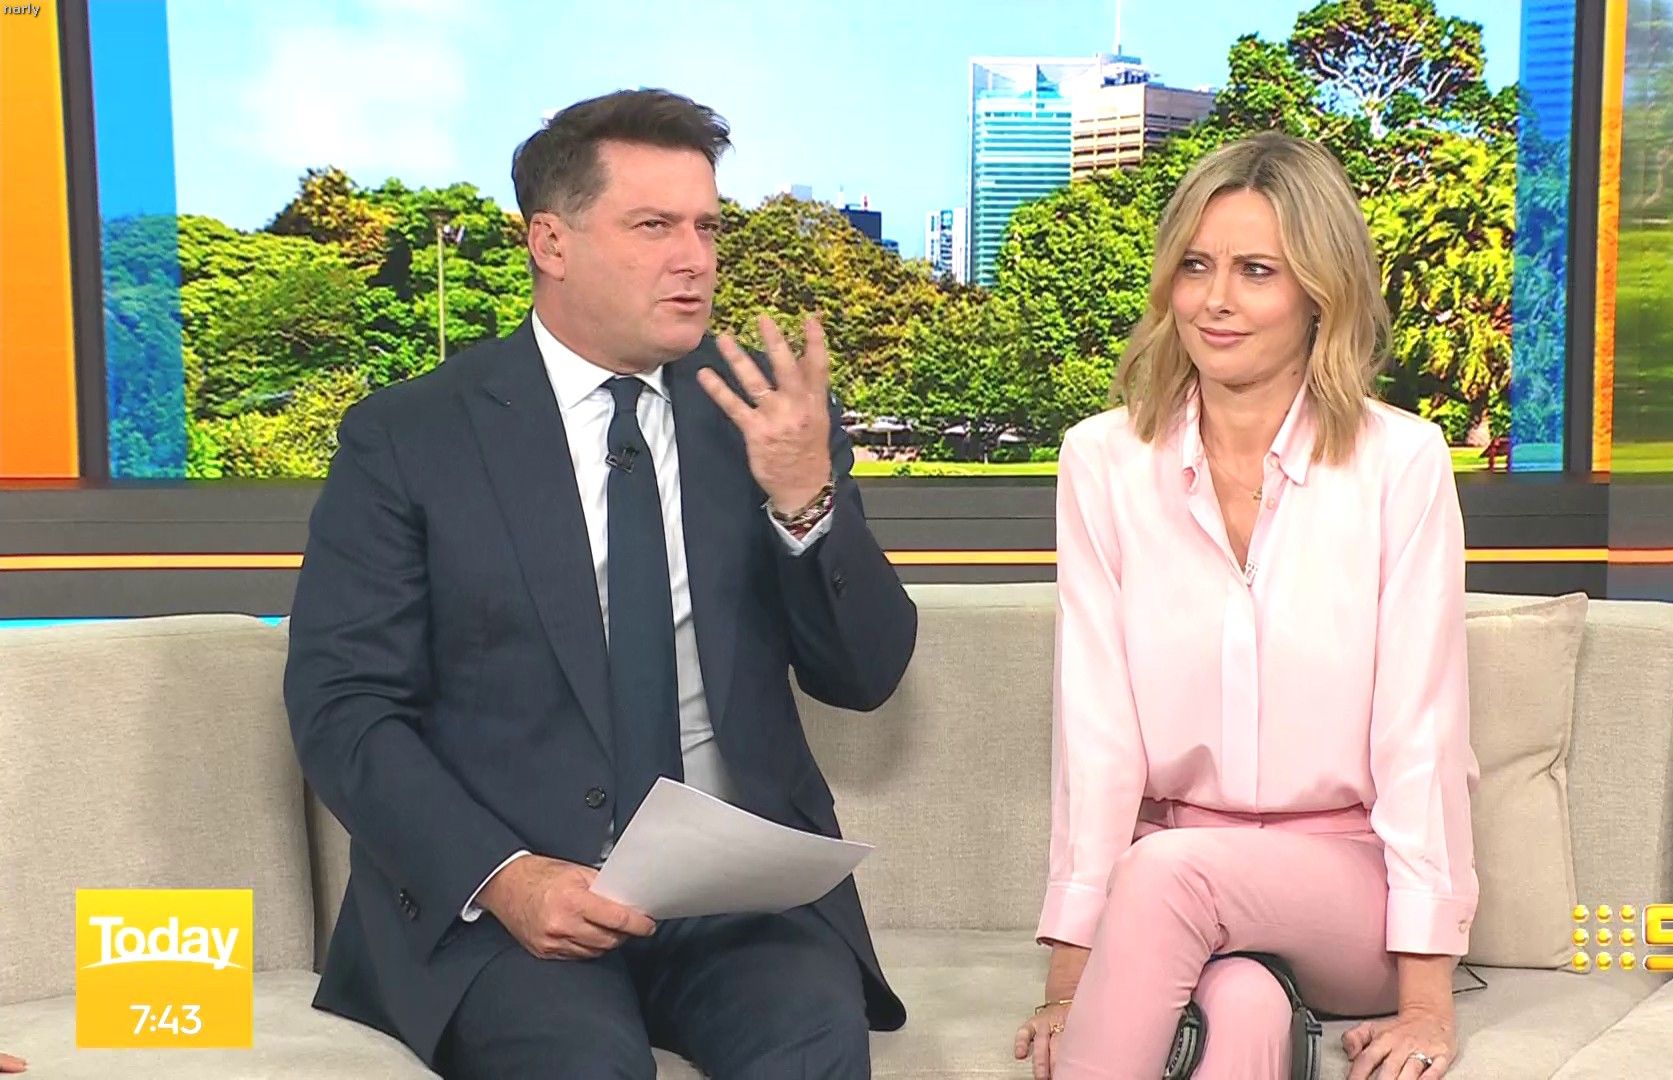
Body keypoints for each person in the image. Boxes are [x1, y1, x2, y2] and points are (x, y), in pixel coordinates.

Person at [285, 88, 917, 1080]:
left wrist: (807, 502)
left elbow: (866, 675)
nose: (695, 258)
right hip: (514, 902)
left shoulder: (769, 421)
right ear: (551, 241)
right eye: (654, 226)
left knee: (811, 1043)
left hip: (731, 899)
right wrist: (505, 878)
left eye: (708, 227)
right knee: (580, 1064)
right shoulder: (409, 438)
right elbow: (344, 708)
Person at [1011, 132, 1478, 1080]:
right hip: (1177, 878)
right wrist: (1068, 987)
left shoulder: (1400, 461)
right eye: (1195, 266)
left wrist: (1427, 1006)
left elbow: (1420, 735)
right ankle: (1256, 1008)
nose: (1214, 299)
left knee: (1166, 875)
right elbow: (1097, 734)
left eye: (1256, 271)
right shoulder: (1104, 461)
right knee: (1244, 1007)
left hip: (1352, 886)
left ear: (1319, 293)